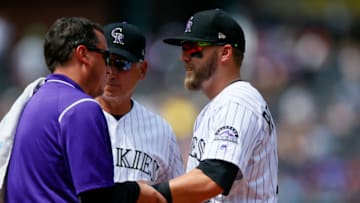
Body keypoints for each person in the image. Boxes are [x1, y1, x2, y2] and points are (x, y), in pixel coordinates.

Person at [4, 17, 165, 203]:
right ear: (83, 54)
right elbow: (97, 196)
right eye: (105, 57)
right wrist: (138, 191)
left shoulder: (35, 98)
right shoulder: (81, 107)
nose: (108, 70)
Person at [155, 8, 279, 202]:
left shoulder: (237, 101)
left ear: (225, 52)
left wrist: (149, 193)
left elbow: (213, 178)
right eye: (184, 48)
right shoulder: (218, 105)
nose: (184, 57)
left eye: (194, 49)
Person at [97, 22, 184, 184]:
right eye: (106, 61)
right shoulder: (72, 118)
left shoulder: (160, 130)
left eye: (121, 64)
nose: (110, 72)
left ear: (142, 70)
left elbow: (177, 193)